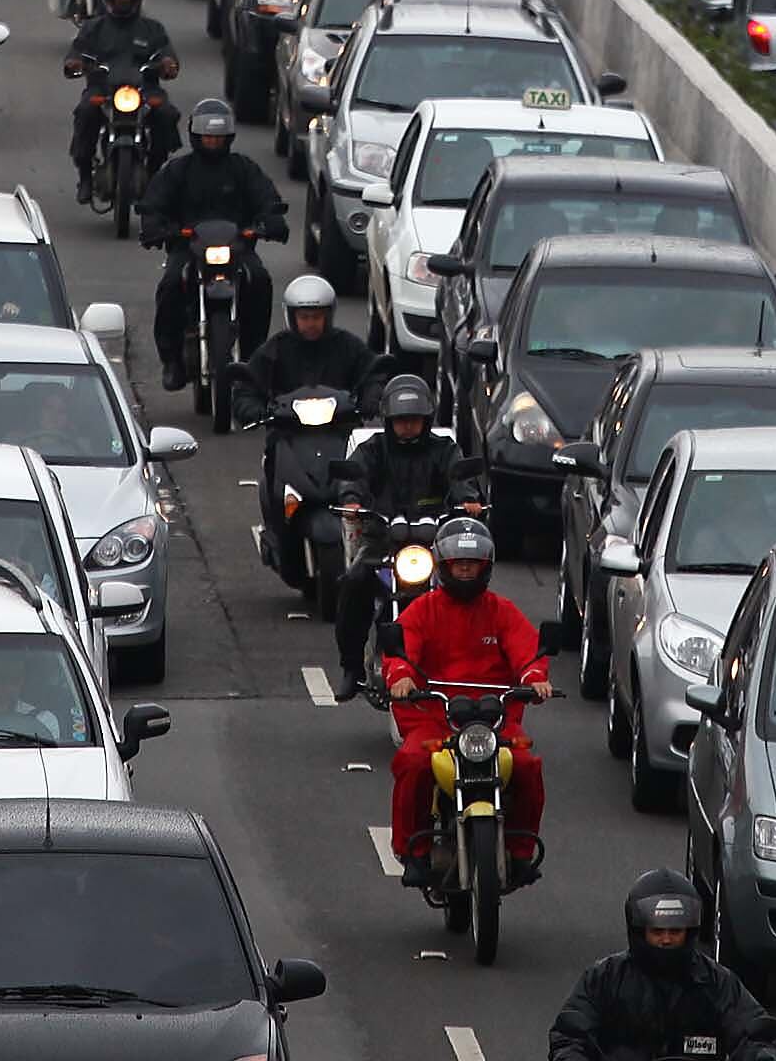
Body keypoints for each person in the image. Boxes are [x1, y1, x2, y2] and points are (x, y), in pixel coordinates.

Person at [382, 517, 550, 889]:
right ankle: (414, 851)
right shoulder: (424, 609)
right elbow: (400, 651)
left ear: (486, 568)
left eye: (472, 565)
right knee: (413, 762)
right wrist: (401, 677)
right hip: (435, 716)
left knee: (525, 765)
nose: (465, 571)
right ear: (443, 567)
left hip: (495, 721)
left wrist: (535, 679)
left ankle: (520, 852)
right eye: (459, 565)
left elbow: (529, 652)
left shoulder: (502, 611)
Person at [329, 375, 476, 695]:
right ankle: (351, 666)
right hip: (382, 539)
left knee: (471, 581)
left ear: (426, 420)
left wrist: (468, 500)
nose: (407, 427)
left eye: (414, 420)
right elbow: (355, 475)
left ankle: (470, 664)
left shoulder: (443, 450)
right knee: (354, 582)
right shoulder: (373, 450)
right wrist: (351, 499)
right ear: (389, 420)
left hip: (433, 542)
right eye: (401, 421)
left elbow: (459, 476)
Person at [549, 870, 776, 1061]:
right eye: (658, 931)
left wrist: (761, 1056)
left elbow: (754, 1032)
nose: (667, 939)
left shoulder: (717, 983)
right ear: (640, 931)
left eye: (675, 931)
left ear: (689, 932)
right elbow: (569, 1034)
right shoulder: (604, 978)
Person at [138, 100, 288, 390]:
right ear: (196, 136)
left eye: (218, 137)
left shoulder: (243, 169)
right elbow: (154, 203)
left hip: (237, 249)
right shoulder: (178, 170)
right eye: (208, 136)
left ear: (228, 137)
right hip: (188, 248)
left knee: (259, 280)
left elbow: (267, 198)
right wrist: (156, 227)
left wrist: (270, 222)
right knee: (171, 284)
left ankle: (253, 355)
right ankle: (171, 359)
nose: (213, 142)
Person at [63, 0, 181, 202]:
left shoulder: (152, 29)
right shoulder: (93, 28)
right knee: (85, 112)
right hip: (103, 89)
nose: (122, 2)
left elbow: (167, 54)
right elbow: (76, 52)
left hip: (144, 88)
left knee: (166, 113)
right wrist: (74, 63)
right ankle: (85, 176)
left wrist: (168, 64)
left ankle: (154, 171)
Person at [231, 276, 388, 428]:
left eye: (316, 317)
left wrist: (371, 397)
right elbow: (249, 385)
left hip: (341, 430)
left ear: (328, 316)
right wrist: (250, 408)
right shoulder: (275, 348)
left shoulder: (348, 345)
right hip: (286, 433)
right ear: (292, 317)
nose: (310, 323)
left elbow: (373, 374)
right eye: (304, 317)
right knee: (270, 455)